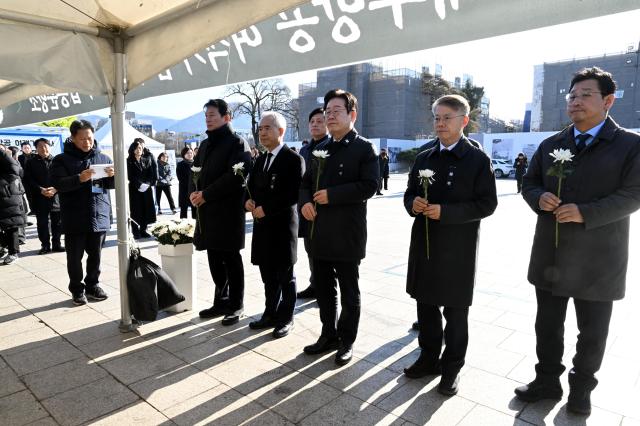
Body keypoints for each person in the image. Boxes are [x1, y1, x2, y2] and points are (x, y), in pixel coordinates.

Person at [515, 67, 640, 415]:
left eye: (586, 94)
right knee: (548, 325)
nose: (576, 101)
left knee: (593, 331)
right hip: (552, 253)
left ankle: (581, 388)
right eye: (572, 95)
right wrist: (538, 197)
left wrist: (586, 212)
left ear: (608, 101)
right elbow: (529, 182)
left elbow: (635, 194)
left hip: (600, 259)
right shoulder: (552, 144)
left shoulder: (631, 145)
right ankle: (546, 381)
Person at [403, 94, 498, 396]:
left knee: (456, 314)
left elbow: (487, 204)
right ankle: (429, 357)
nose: (440, 124)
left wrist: (447, 213)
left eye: (447, 118)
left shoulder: (477, 159)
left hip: (459, 248)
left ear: (464, 121)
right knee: (426, 307)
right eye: (436, 118)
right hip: (425, 244)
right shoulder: (424, 157)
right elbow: (408, 193)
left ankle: (452, 367)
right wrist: (413, 204)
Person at [300, 89, 379, 366]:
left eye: (336, 111)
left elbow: (370, 186)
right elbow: (305, 183)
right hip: (318, 231)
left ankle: (347, 341)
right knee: (323, 289)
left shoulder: (363, 148)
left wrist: (332, 195)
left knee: (348, 290)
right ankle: (328, 334)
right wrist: (305, 202)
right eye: (327, 111)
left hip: (347, 232)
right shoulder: (320, 148)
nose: (330, 116)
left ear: (352, 115)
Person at [191, 99, 251, 326]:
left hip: (227, 213)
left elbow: (236, 177)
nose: (208, 119)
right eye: (206, 115)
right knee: (214, 257)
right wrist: (193, 193)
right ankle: (221, 300)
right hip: (206, 212)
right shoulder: (205, 145)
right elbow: (194, 171)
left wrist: (206, 194)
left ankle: (236, 305)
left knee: (231, 259)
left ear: (227, 117)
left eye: (213, 115)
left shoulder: (238, 143)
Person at [245, 111, 304, 338]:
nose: (262, 133)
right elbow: (250, 187)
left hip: (282, 228)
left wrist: (266, 208)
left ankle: (286, 318)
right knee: (267, 274)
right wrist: (248, 202)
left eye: (267, 128)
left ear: (281, 131)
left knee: (285, 275)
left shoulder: (293, 159)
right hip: (262, 228)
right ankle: (270, 313)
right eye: (260, 129)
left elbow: (292, 194)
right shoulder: (260, 159)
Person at [51, 120, 114, 305]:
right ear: (72, 138)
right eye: (82, 139)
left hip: (99, 214)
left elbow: (110, 186)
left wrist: (113, 177)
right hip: (74, 217)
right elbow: (58, 184)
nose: (87, 142)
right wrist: (79, 178)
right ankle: (77, 289)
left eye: (90, 138)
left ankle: (93, 285)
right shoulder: (61, 160)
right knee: (75, 258)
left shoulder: (103, 158)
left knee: (96, 256)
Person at [296, 107, 331, 300]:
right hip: (306, 206)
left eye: (320, 121)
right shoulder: (305, 149)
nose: (316, 124)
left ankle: (326, 288)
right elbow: (301, 181)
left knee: (324, 252)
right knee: (310, 249)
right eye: (312, 122)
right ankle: (315, 284)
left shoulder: (330, 146)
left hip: (324, 208)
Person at [24, 138, 63, 254]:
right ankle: (45, 245)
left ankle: (57, 244)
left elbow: (63, 177)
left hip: (56, 197)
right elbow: (28, 180)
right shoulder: (31, 162)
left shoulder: (57, 160)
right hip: (40, 197)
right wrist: (40, 189)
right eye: (40, 146)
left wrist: (56, 189)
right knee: (42, 224)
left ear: (49, 146)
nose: (43, 148)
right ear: (36, 149)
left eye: (46, 145)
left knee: (57, 223)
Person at [0, 146, 27, 265]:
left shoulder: (7, 159)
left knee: (11, 226)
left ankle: (13, 252)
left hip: (8, 196)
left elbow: (16, 170)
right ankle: (4, 246)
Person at [127, 140, 157, 239]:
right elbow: (130, 176)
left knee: (146, 209)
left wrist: (148, 184)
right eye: (136, 148)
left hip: (146, 189)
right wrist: (139, 185)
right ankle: (135, 231)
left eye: (140, 148)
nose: (139, 150)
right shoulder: (128, 161)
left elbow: (151, 173)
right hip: (135, 189)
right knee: (136, 210)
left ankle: (143, 230)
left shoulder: (146, 159)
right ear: (132, 149)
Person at [176, 146, 196, 219]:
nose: (190, 154)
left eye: (191, 153)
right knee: (183, 210)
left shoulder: (196, 163)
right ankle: (183, 228)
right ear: (184, 154)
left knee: (195, 210)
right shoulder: (180, 164)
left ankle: (195, 227)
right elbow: (180, 178)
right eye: (187, 153)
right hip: (184, 190)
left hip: (195, 190)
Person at [18, 142, 35, 215]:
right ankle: (33, 210)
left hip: (36, 179)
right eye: (25, 148)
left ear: (31, 148)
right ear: (22, 149)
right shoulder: (19, 158)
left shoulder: (36, 156)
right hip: (25, 180)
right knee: (29, 195)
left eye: (28, 147)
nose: (27, 149)